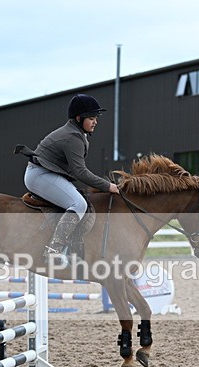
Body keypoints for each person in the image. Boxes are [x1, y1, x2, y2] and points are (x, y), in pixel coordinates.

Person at [15, 94, 120, 265]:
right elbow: (80, 172)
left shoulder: (77, 133)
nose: (95, 122)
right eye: (91, 118)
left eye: (96, 118)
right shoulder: (72, 137)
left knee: (79, 200)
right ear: (79, 118)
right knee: (78, 204)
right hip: (40, 175)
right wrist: (108, 186)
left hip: (47, 173)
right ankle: (53, 251)